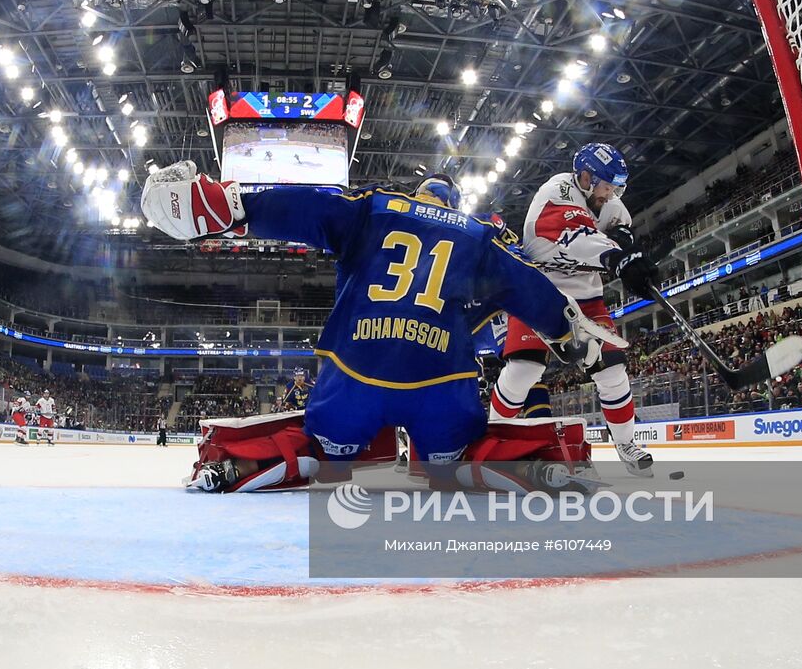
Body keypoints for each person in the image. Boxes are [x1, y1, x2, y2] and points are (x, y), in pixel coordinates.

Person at [141, 164, 615, 492]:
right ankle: (536, 471)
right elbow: (526, 286)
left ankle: (236, 467)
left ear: (419, 193)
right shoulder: (475, 233)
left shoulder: (377, 207)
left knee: (324, 454)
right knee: (453, 462)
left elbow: (312, 209)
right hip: (440, 384)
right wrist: (571, 333)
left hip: (356, 376)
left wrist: (234, 208)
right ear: (454, 200)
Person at [488, 143, 659, 476]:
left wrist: (631, 255)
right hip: (540, 290)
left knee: (612, 370)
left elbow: (621, 236)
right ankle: (492, 436)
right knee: (525, 368)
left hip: (587, 296)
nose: (611, 195)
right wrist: (616, 257)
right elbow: (576, 239)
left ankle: (626, 443)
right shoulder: (556, 192)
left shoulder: (612, 205)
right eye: (607, 186)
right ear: (585, 177)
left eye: (616, 187)